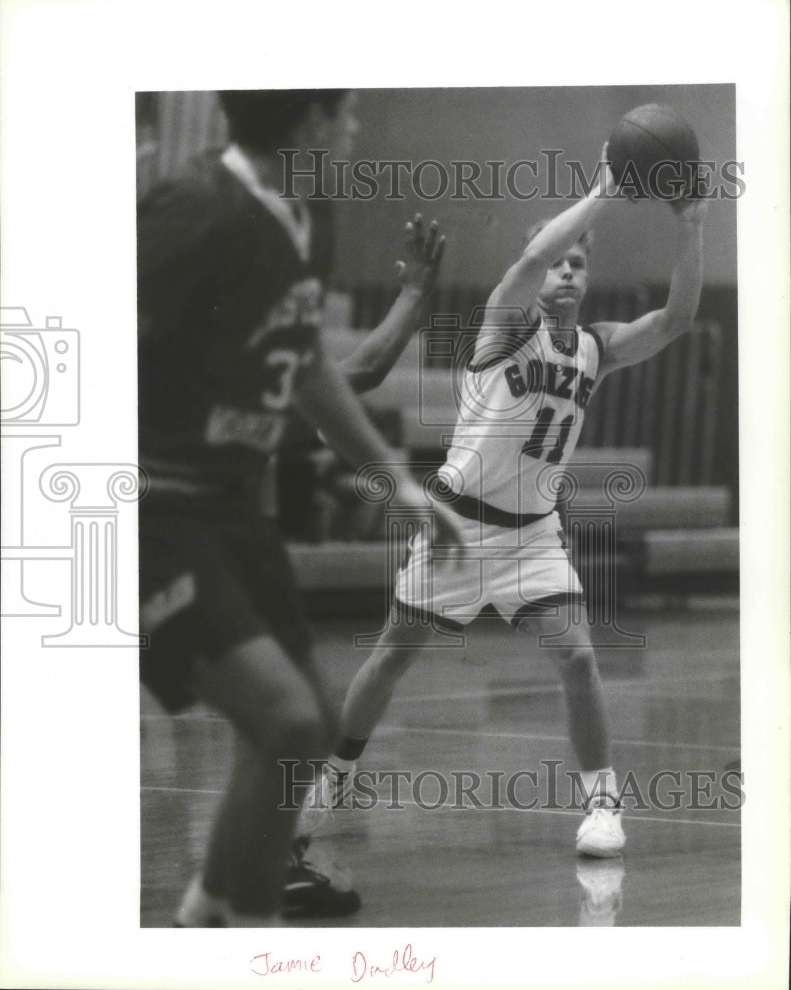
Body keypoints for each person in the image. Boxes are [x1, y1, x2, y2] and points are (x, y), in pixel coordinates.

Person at [300, 147, 709, 869]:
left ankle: (602, 804)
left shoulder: (595, 348)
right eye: (556, 259)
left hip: (531, 537)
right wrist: (602, 193)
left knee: (578, 657)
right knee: (393, 654)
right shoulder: (500, 324)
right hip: (457, 527)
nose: (567, 269)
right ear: (531, 267)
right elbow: (529, 264)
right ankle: (335, 775)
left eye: (580, 263)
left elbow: (676, 319)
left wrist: (692, 224)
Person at [137, 88, 464, 927]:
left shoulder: (307, 221)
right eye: (345, 112)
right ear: (310, 121)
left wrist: (397, 480)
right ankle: (255, 938)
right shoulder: (192, 210)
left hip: (237, 515)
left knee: (306, 726)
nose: (354, 127)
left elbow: (314, 369)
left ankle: (205, 916)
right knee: (282, 721)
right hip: (152, 507)